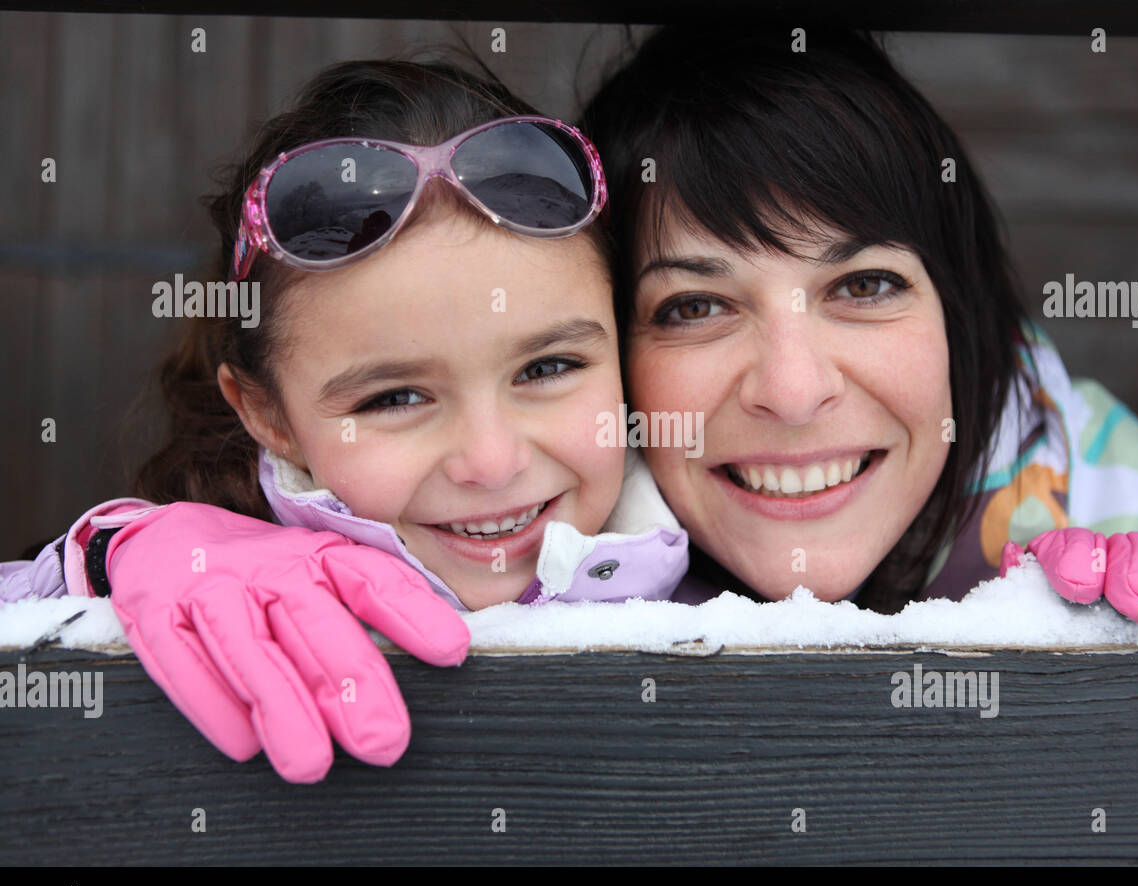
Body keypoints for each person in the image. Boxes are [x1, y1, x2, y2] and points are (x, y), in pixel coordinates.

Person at [0, 57, 687, 782]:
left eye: (547, 368)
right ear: (268, 414)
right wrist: (107, 561)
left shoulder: (723, 547)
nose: (491, 460)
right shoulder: (204, 591)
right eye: (393, 398)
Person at [576, 23, 1138, 620]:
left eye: (865, 285)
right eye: (696, 307)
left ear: (961, 313)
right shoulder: (516, 508)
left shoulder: (1125, 510)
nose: (794, 392)